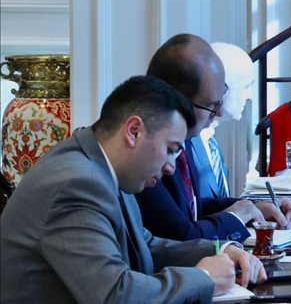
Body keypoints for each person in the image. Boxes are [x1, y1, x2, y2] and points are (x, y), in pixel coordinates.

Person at [0, 76, 265, 303]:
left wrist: (219, 250)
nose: (171, 168)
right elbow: (114, 295)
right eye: (170, 150)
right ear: (134, 131)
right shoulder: (76, 183)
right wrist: (204, 277)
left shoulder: (105, 166)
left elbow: (143, 245)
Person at [135, 34, 291, 243]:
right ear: (178, 100)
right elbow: (180, 235)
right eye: (211, 105)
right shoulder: (146, 149)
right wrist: (235, 217)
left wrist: (251, 208)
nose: (218, 112)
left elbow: (191, 208)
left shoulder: (186, 136)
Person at [190, 41, 256, 199]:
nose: (250, 96)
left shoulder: (209, 138)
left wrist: (253, 208)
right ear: (219, 88)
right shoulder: (183, 144)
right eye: (246, 86)